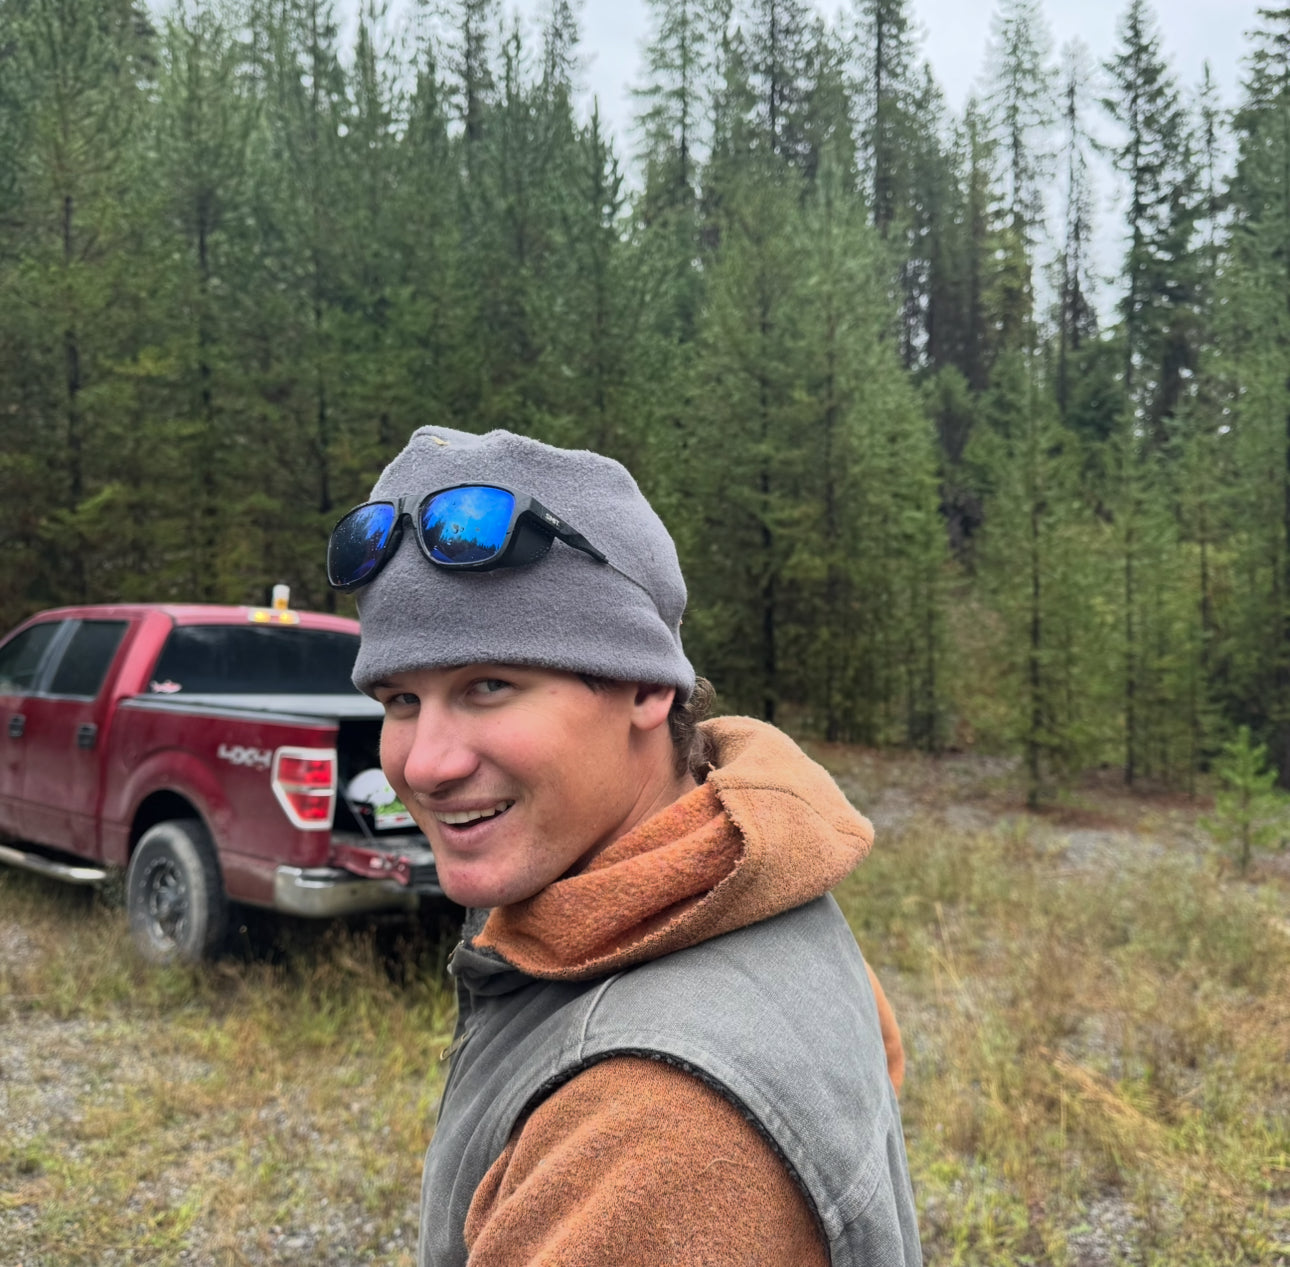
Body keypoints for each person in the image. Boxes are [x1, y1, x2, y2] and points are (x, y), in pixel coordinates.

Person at [329, 426, 923, 1267]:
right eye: (400, 701)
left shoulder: (654, 1133)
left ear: (647, 685)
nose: (425, 763)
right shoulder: (750, 877)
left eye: (488, 685)